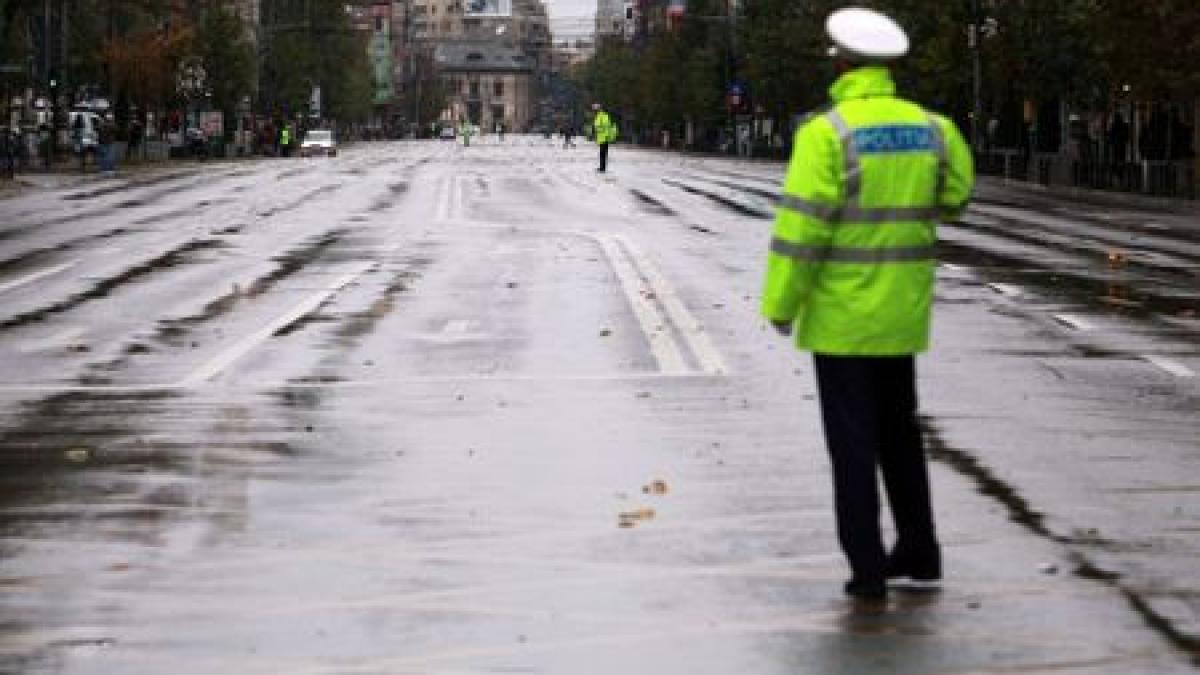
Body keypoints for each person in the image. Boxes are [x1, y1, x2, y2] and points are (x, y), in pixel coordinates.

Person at [760, 7, 974, 600]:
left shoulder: (826, 134)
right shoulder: (934, 129)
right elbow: (956, 196)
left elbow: (801, 231)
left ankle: (868, 566)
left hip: (840, 321)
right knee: (901, 435)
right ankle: (920, 549)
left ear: (841, 62)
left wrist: (781, 304)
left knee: (852, 445)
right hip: (903, 315)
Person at [592, 103, 617, 172]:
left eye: (595, 110)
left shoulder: (602, 116)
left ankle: (602, 168)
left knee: (603, 153)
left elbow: (605, 126)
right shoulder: (600, 116)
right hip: (603, 137)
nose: (594, 111)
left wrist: (597, 129)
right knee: (602, 153)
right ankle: (602, 167)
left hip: (604, 137)